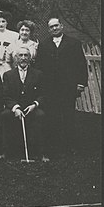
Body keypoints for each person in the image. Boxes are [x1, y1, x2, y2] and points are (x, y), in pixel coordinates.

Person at [36, 17, 88, 155]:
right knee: (52, 116)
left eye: (56, 25)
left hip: (68, 87)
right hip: (50, 88)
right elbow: (39, 67)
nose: (54, 28)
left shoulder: (74, 43)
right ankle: (55, 146)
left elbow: (81, 64)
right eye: (51, 27)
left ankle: (71, 146)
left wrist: (81, 83)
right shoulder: (44, 45)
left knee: (68, 115)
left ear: (62, 26)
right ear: (48, 29)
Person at [1, 47, 48, 162]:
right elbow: (5, 96)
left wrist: (35, 105)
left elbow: (43, 94)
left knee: (40, 115)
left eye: (26, 55)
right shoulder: (8, 75)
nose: (23, 58)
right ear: (16, 58)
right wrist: (15, 108)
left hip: (31, 107)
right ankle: (7, 151)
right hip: (15, 108)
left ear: (30, 58)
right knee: (5, 115)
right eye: (20, 55)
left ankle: (39, 153)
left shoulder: (38, 74)